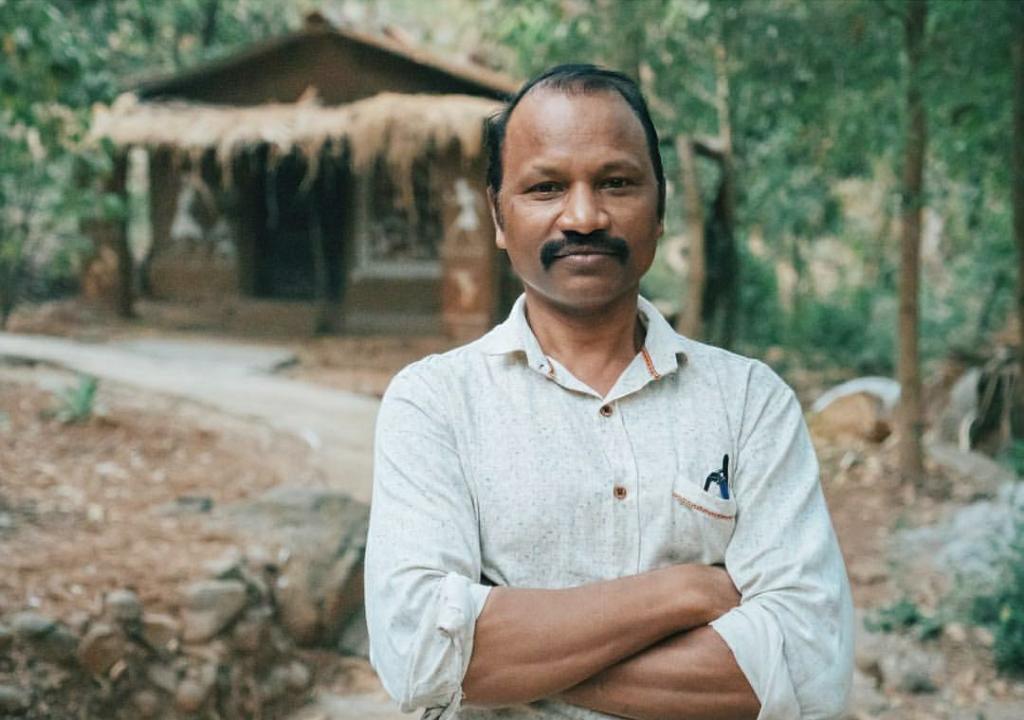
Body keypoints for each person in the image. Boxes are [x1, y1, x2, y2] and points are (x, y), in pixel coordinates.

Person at [365, 64, 853, 720]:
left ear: (660, 208)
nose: (585, 216)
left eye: (617, 183)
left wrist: (499, 658)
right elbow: (415, 653)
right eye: (545, 187)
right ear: (498, 217)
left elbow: (813, 667)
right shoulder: (434, 403)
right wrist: (683, 593)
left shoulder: (750, 402)